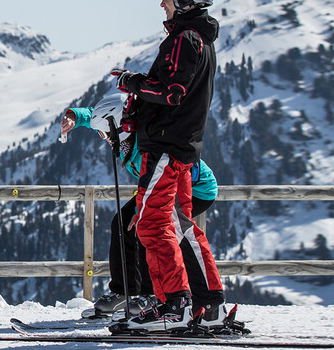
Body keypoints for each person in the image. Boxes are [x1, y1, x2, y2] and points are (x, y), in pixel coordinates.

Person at [108, 0, 222, 332]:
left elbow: (172, 92)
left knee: (152, 224)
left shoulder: (183, 40)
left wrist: (133, 83)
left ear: (186, 0)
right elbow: (176, 91)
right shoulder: (200, 40)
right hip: (183, 149)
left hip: (167, 148)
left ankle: (175, 306)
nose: (163, 7)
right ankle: (209, 304)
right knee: (185, 227)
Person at [61, 93, 225, 326]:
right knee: (122, 222)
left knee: (150, 227)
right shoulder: (127, 131)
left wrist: (145, 210)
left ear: (120, 128)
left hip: (194, 188)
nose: (106, 139)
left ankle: (151, 296)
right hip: (157, 184)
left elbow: (182, 174)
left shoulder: (147, 144)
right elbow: (104, 114)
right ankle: (124, 291)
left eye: (106, 135)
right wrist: (75, 117)